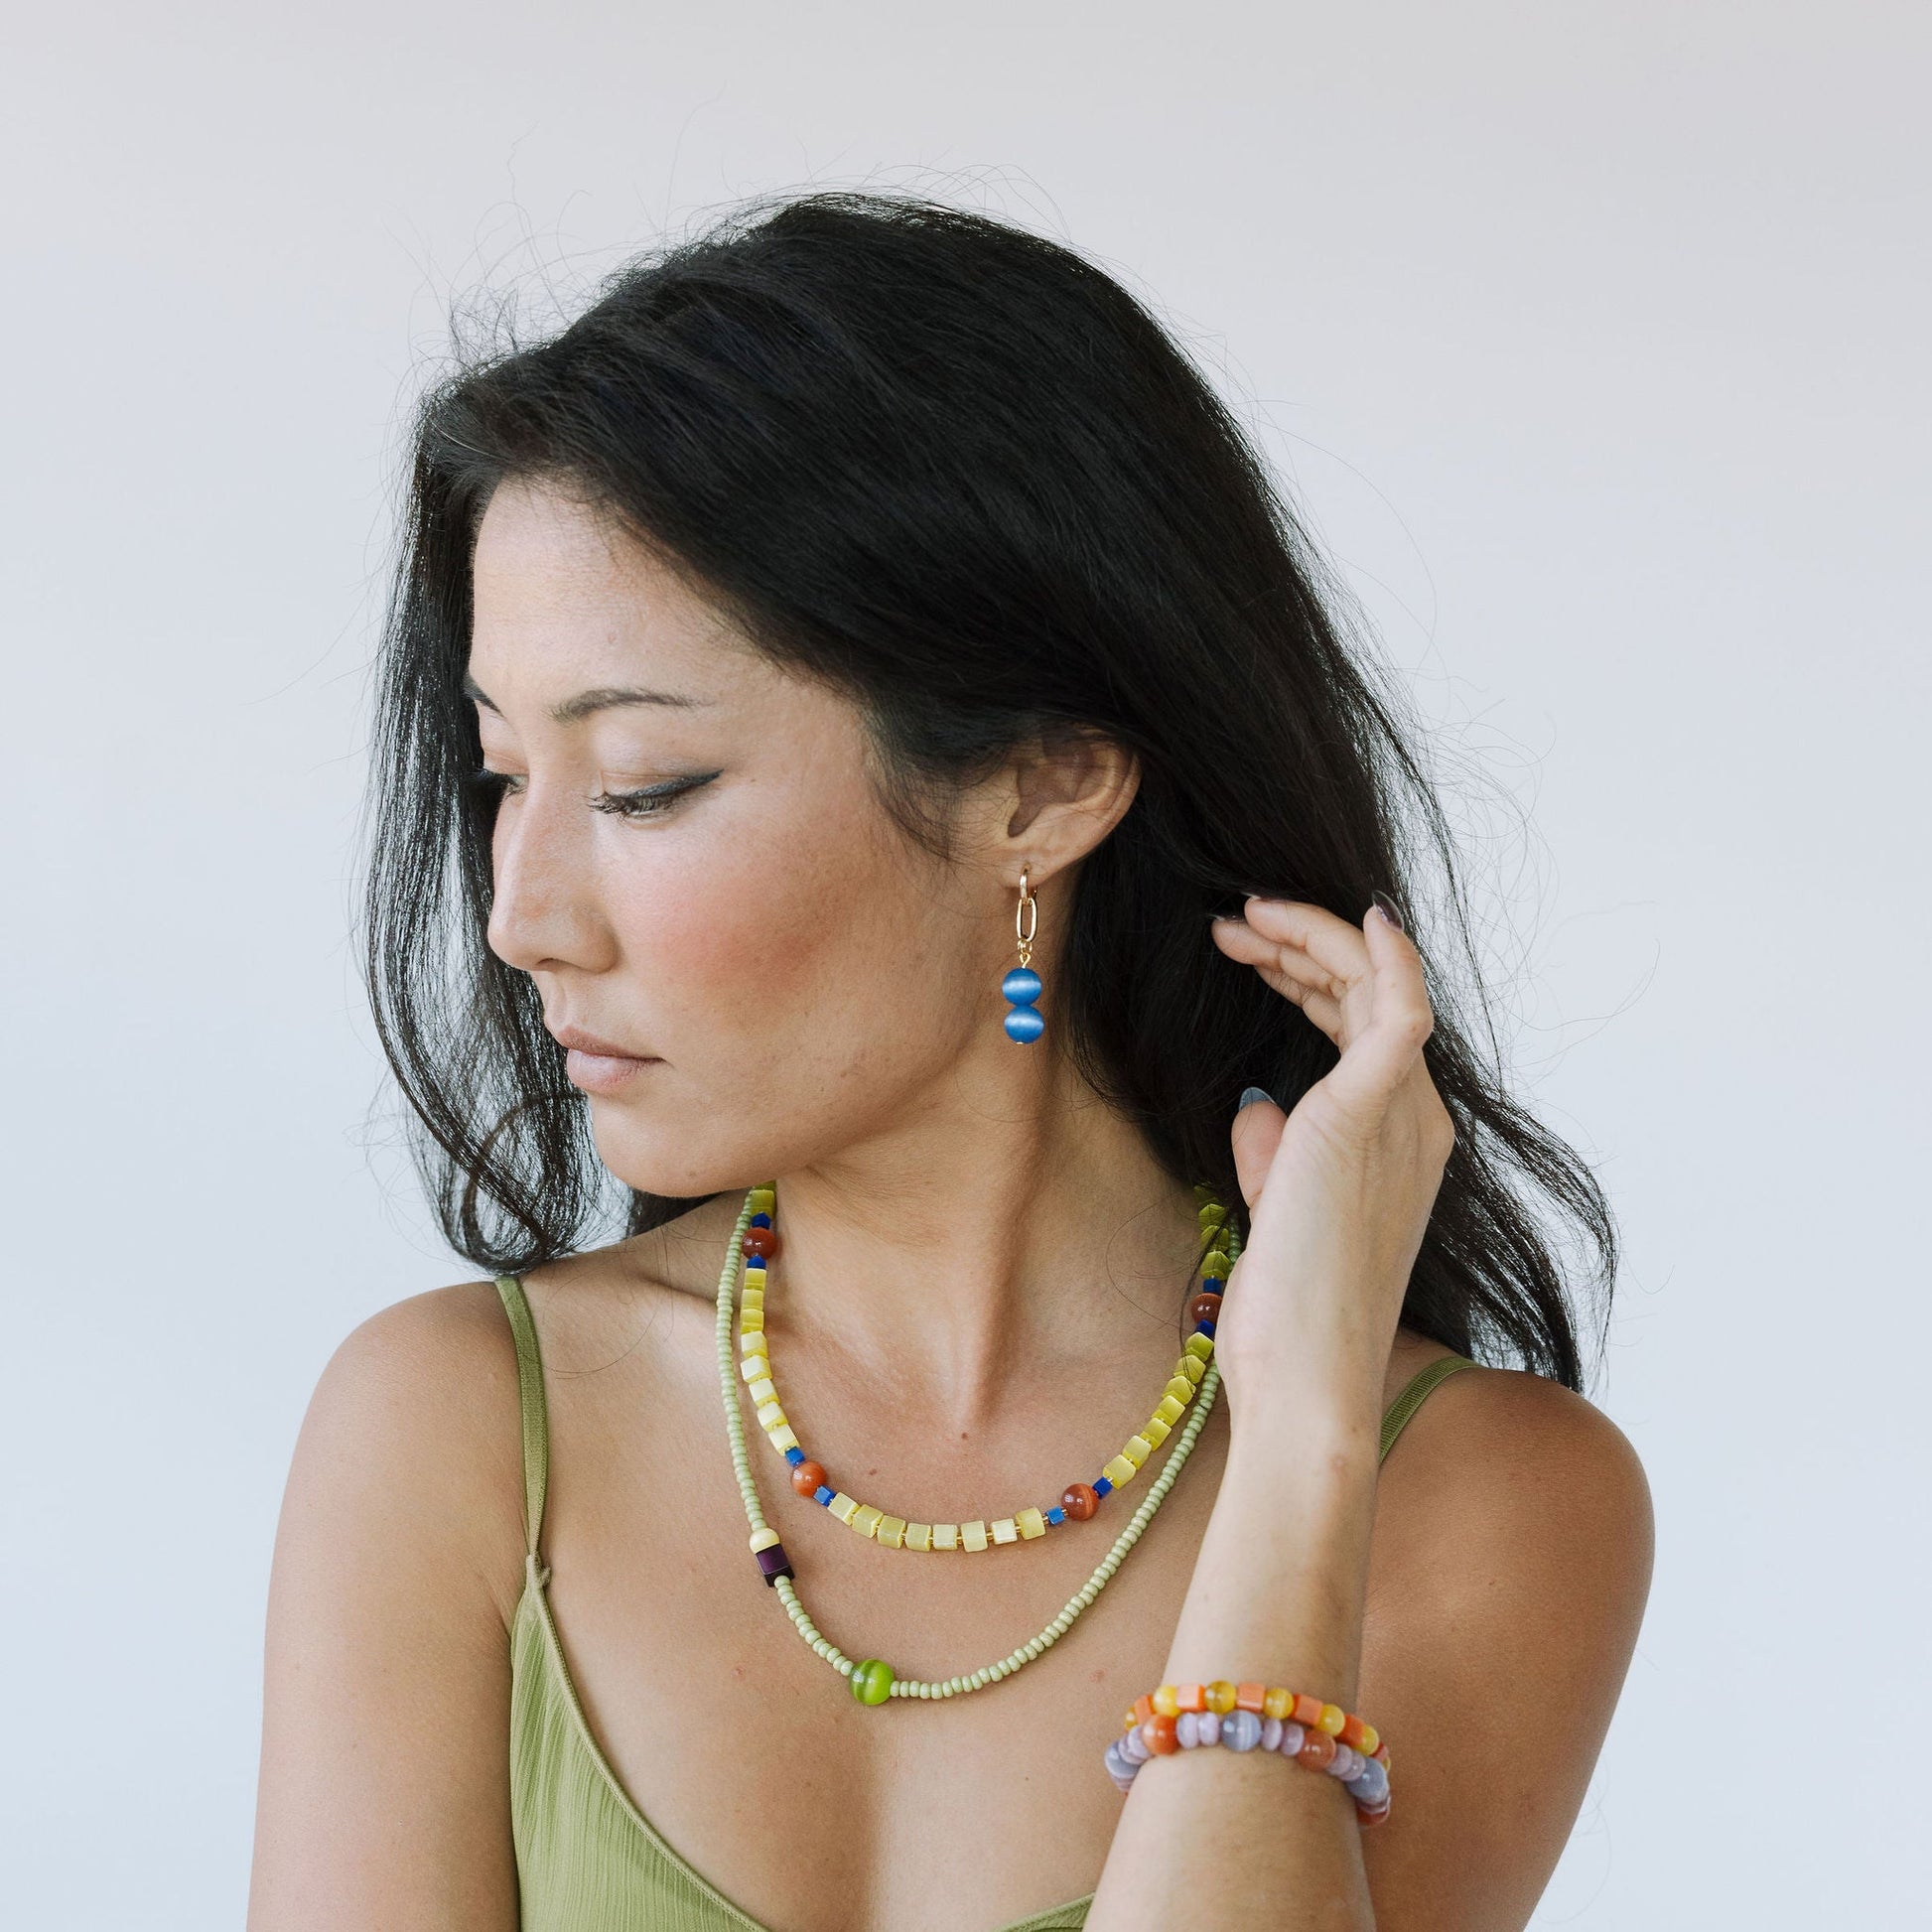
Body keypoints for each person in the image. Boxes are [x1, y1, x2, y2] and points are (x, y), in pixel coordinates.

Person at [246, 190, 1651, 1931]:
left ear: (1041, 788)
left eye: (639, 788)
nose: (523, 915)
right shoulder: (456, 1431)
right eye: (499, 777)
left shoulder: (1474, 1495)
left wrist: (1295, 1453)